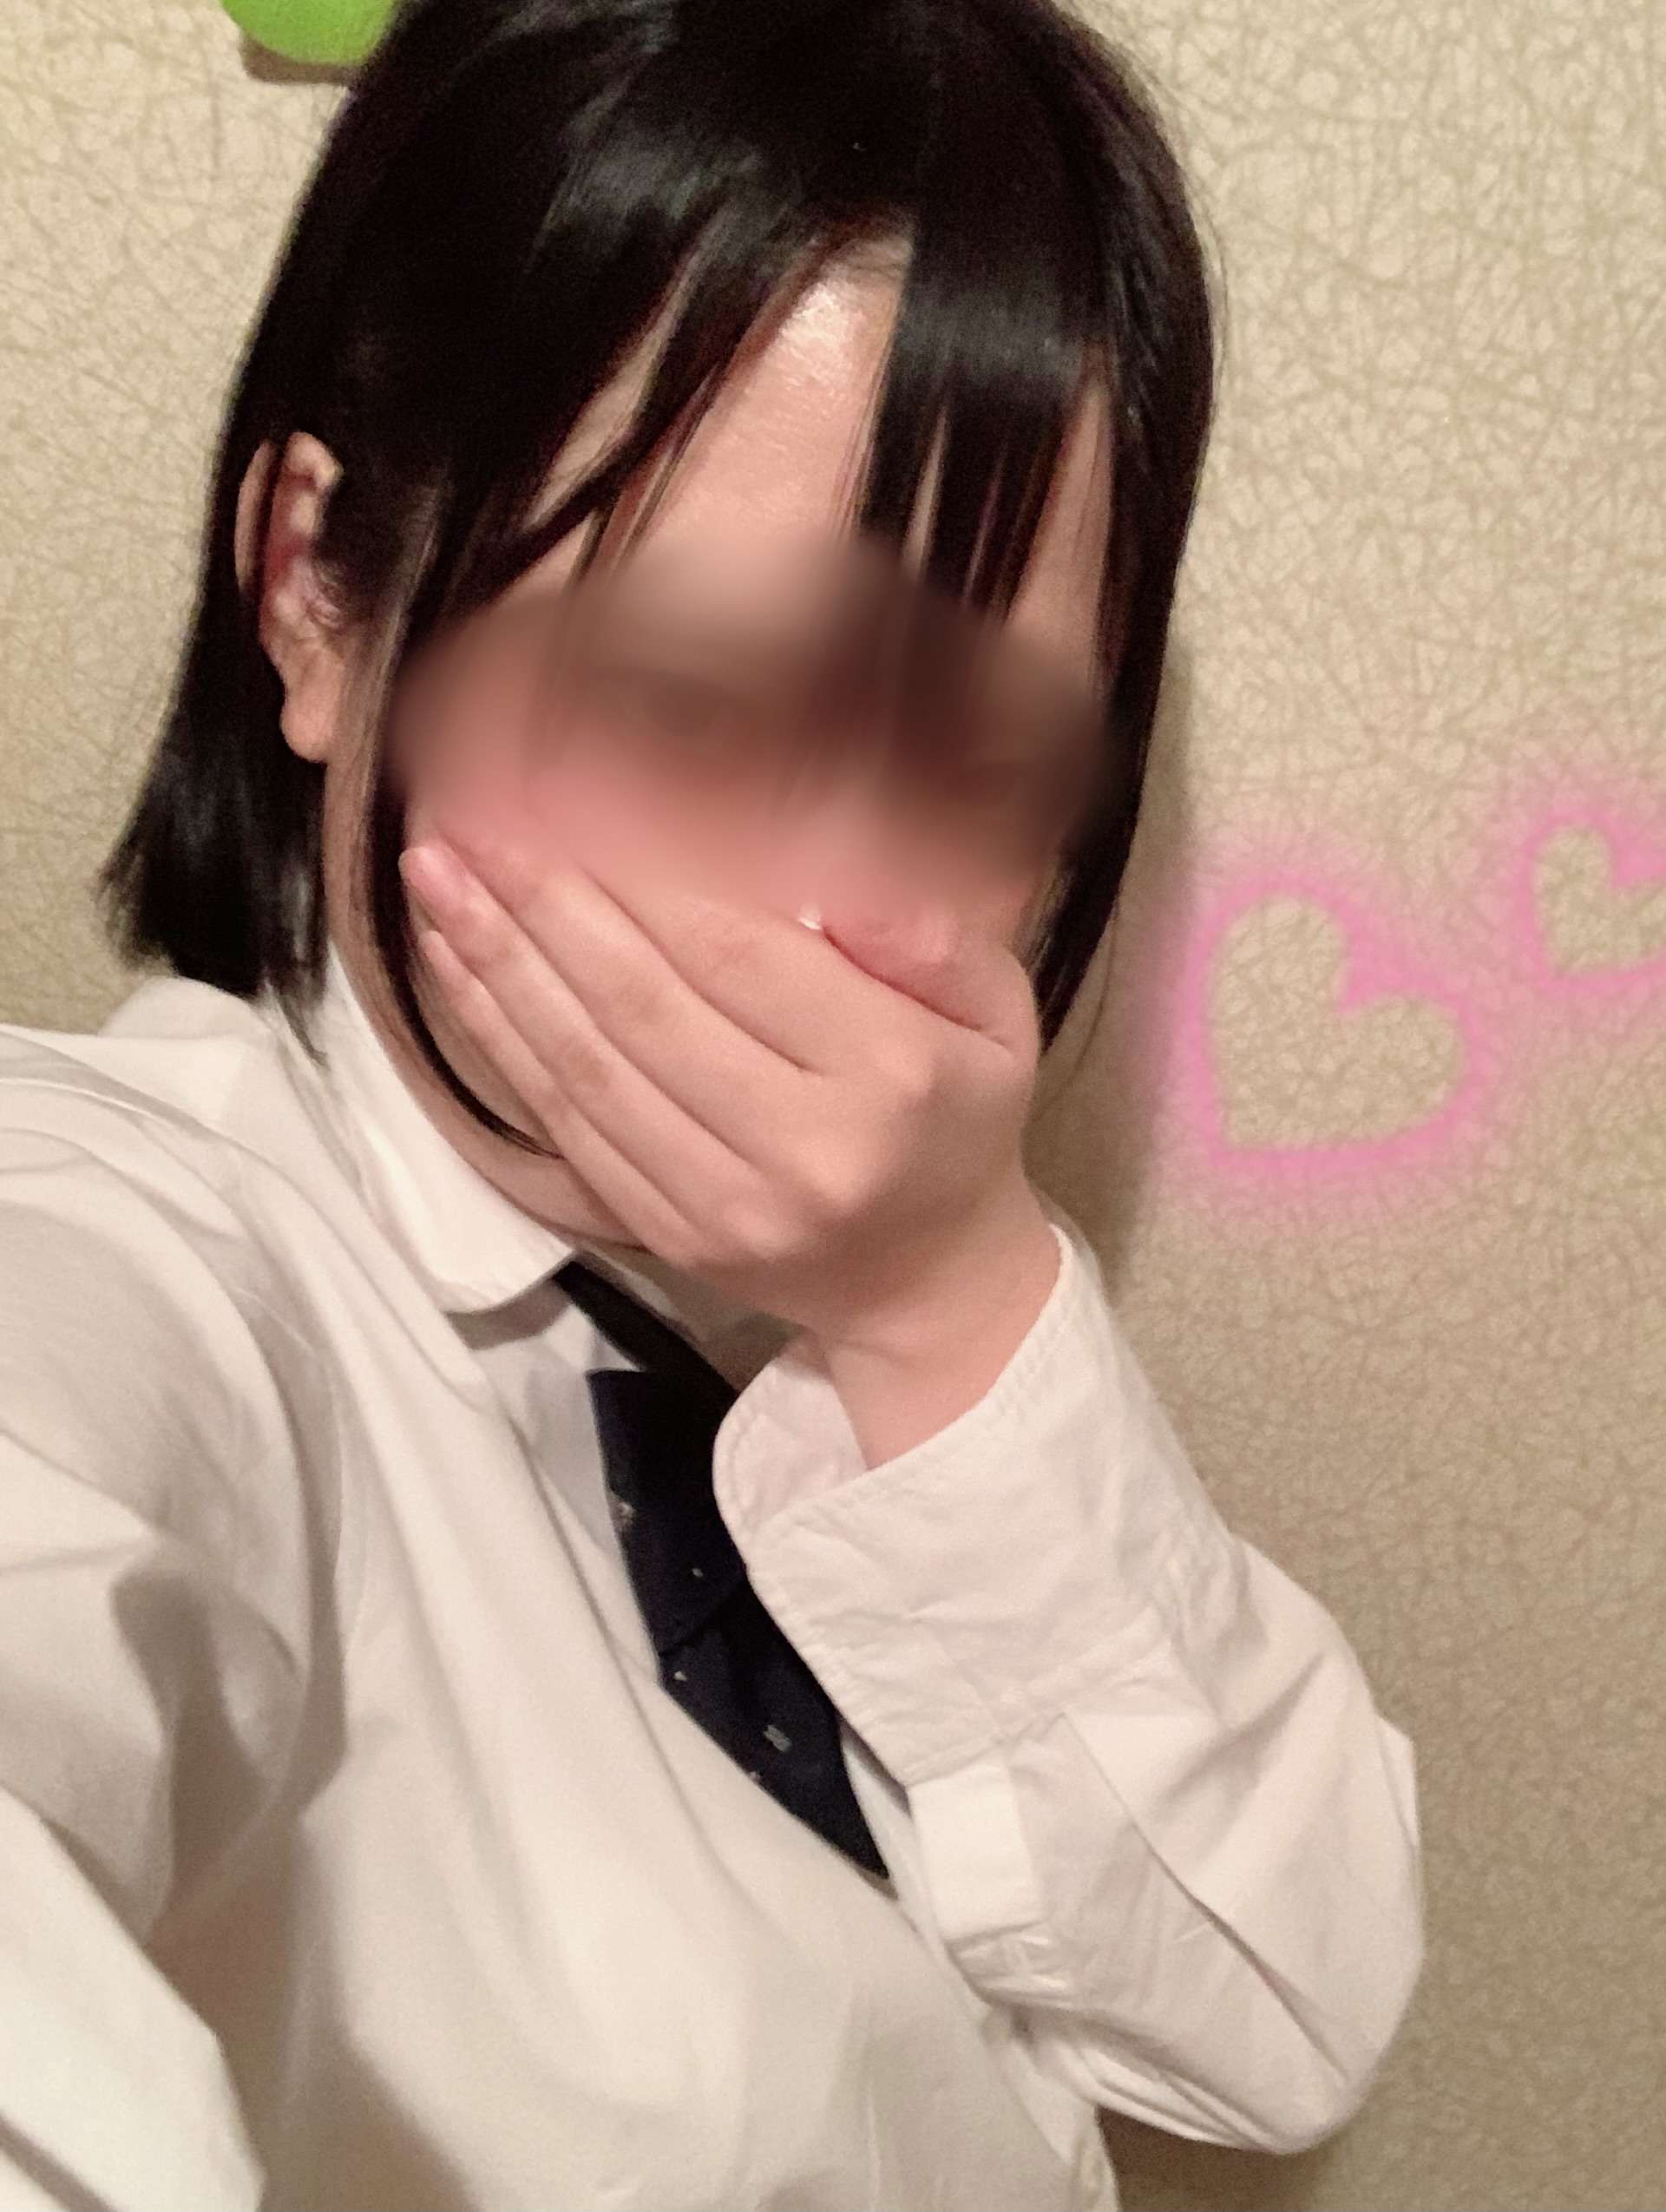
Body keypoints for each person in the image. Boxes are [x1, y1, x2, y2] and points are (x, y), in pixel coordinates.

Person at [0, 0, 1425, 2205]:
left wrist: (942, 1307)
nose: (825, 903)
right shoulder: (123, 1251)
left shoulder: (838, 1298)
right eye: (682, 699)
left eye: (973, 763)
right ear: (311, 596)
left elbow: (1285, 2021)